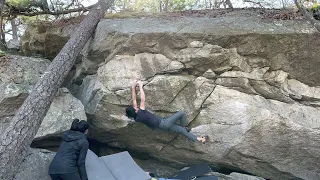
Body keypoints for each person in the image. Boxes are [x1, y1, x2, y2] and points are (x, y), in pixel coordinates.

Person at [125, 80, 207, 143]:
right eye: (135, 109)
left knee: (182, 131)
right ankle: (184, 126)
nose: (135, 108)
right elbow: (142, 99)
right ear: (135, 111)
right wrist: (140, 86)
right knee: (181, 113)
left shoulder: (136, 118)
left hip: (160, 128)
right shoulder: (141, 112)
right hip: (164, 123)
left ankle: (199, 139)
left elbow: (134, 101)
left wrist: (133, 88)